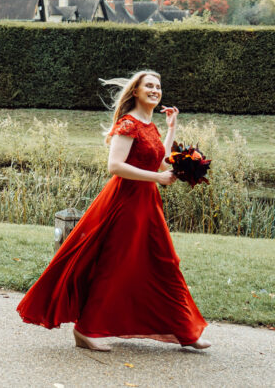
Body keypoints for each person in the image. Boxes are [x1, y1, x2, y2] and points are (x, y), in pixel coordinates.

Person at [16, 70, 210, 351]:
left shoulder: (148, 125)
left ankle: (186, 331)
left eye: (158, 86)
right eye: (149, 86)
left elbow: (156, 161)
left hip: (147, 204)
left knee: (165, 264)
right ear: (136, 92)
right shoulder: (129, 124)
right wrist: (157, 178)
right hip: (125, 203)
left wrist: (171, 129)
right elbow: (115, 166)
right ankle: (87, 330)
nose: (155, 90)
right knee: (115, 265)